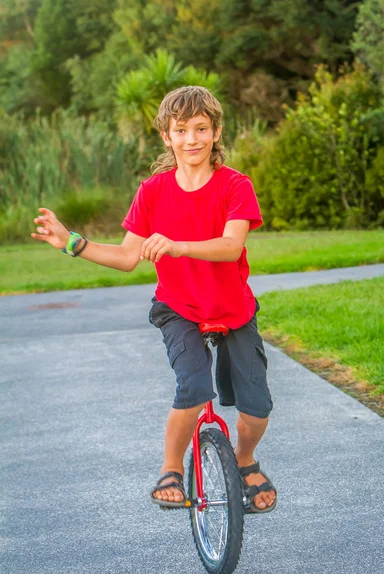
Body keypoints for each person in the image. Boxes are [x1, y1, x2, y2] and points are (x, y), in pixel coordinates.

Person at [32, 86, 277, 513]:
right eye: (181, 130)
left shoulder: (235, 185)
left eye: (201, 128)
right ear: (166, 136)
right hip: (178, 308)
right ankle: (171, 468)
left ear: (216, 132)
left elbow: (231, 246)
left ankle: (245, 458)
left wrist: (179, 245)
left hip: (233, 308)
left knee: (257, 407)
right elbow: (128, 257)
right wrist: (72, 242)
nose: (192, 139)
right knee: (193, 387)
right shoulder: (153, 192)